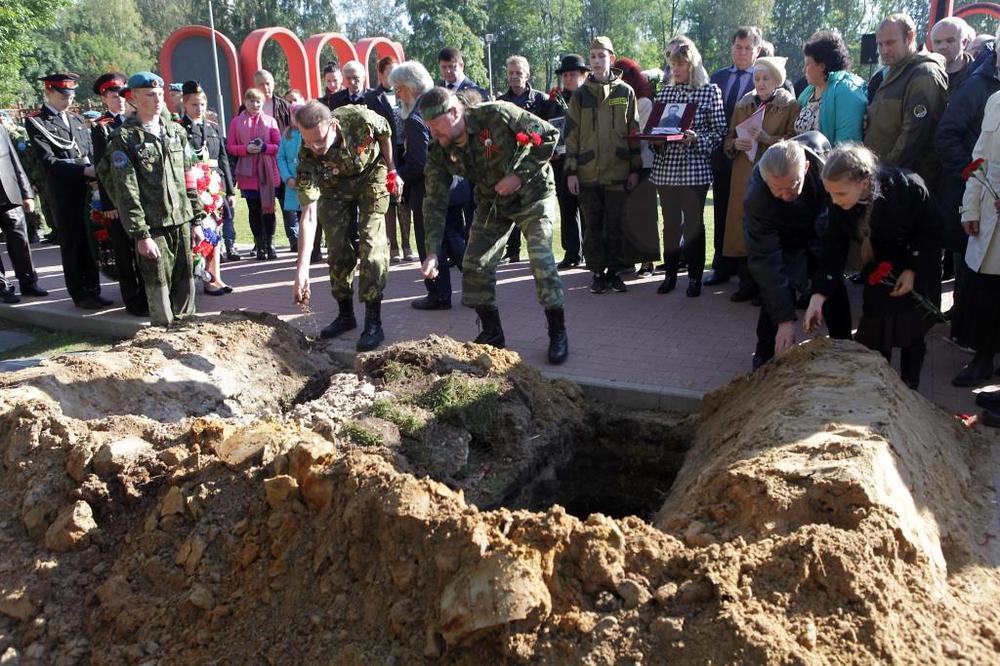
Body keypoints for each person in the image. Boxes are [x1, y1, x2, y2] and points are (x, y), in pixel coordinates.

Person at [417, 87, 568, 364]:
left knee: (541, 259)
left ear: (454, 112)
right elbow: (434, 202)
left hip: (533, 195)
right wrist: (432, 251)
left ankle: (557, 332)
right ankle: (492, 333)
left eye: (435, 124)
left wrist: (518, 176)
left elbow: (548, 134)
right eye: (428, 125)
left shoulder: (497, 114)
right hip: (493, 203)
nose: (432, 132)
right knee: (474, 265)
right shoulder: (440, 151)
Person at [805, 144, 941, 390]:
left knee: (912, 326)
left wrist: (911, 270)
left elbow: (929, 231)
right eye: (830, 193)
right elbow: (832, 250)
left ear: (864, 183)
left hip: (918, 261)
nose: (834, 201)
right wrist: (818, 295)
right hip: (879, 265)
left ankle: (911, 385)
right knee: (876, 325)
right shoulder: (840, 204)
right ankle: (879, 384)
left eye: (841, 194)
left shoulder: (907, 187)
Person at [97, 72, 203, 327]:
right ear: (133, 98)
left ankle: (187, 336)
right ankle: (163, 338)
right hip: (152, 227)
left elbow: (188, 177)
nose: (157, 99)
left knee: (186, 284)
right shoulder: (125, 138)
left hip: (180, 220)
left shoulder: (175, 132)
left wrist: (197, 219)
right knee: (158, 286)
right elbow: (126, 190)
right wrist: (140, 234)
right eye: (149, 95)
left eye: (159, 94)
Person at [291, 101, 398, 352]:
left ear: (333, 126)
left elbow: (385, 133)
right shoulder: (307, 155)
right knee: (338, 247)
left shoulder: (360, 119)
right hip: (335, 186)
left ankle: (373, 321)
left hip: (371, 175)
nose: (315, 148)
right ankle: (345, 315)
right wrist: (302, 271)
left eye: (319, 140)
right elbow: (308, 215)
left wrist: (392, 168)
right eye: (308, 141)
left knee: (372, 243)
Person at [744, 134, 852, 369]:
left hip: (819, 227)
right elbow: (766, 261)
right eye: (778, 190)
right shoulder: (757, 198)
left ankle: (845, 350)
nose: (786, 195)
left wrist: (820, 289)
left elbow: (833, 239)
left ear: (805, 167)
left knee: (833, 287)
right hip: (782, 239)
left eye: (793, 186)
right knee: (776, 292)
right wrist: (785, 319)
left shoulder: (828, 172)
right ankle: (764, 356)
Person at [935, 35, 1000, 352]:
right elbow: (972, 153)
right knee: (978, 280)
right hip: (984, 210)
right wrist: (972, 201)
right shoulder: (987, 95)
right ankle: (977, 350)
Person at [26, 72, 111, 309]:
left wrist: (94, 175)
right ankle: (80, 293)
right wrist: (84, 172)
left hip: (86, 189)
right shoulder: (37, 121)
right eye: (63, 95)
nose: (69, 100)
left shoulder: (75, 120)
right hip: (64, 190)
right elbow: (49, 161)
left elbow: (88, 153)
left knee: (89, 240)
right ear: (49, 92)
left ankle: (94, 289)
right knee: (73, 241)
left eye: (71, 95)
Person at [650, 38, 727, 297]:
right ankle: (670, 274)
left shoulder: (710, 91)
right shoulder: (665, 92)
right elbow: (656, 131)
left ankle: (694, 278)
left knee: (693, 224)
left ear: (692, 64)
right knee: (670, 225)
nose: (676, 70)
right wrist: (655, 141)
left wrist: (698, 138)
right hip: (666, 170)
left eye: (681, 64)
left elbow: (720, 132)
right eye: (672, 65)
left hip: (695, 169)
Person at [565, 36, 641, 295]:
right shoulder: (580, 95)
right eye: (593, 56)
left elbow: (634, 132)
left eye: (602, 55)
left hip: (618, 170)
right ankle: (597, 273)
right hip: (587, 173)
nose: (597, 61)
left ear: (611, 57)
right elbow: (571, 136)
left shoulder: (625, 92)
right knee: (593, 226)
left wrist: (634, 169)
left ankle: (614, 272)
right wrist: (572, 171)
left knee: (617, 224)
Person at [390, 61, 466, 310]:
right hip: (452, 186)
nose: (396, 94)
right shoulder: (431, 108)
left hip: (428, 190)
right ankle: (477, 281)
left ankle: (439, 294)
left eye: (398, 88)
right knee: (454, 238)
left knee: (431, 242)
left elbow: (420, 161)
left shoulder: (415, 117)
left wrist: (399, 176)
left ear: (410, 87)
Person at [723, 56, 800, 303]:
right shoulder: (744, 103)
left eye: (766, 78)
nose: (761, 83)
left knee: (768, 226)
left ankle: (768, 287)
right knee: (742, 225)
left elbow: (796, 142)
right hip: (743, 172)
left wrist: (767, 138)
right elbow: (728, 139)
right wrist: (735, 143)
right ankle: (746, 283)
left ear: (777, 80)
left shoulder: (789, 105)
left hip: (772, 175)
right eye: (757, 78)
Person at [705, 26, 763, 288]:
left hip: (753, 160)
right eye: (738, 47)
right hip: (722, 158)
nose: (742, 52)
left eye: (748, 48)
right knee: (722, 212)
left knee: (750, 212)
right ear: (731, 47)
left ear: (757, 50)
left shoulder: (766, 77)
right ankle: (721, 264)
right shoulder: (717, 78)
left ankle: (748, 269)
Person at [865, 14, 949, 185]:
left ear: (910, 37)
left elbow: (913, 136)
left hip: (902, 182)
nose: (884, 50)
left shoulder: (924, 74)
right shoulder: (895, 71)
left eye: (890, 43)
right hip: (885, 176)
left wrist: (883, 173)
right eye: (880, 44)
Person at [91, 72, 148, 316]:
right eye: (114, 94)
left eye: (123, 93)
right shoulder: (102, 127)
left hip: (140, 199)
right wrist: (109, 204)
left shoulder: (136, 122)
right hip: (117, 202)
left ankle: (147, 295)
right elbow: (103, 170)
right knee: (124, 253)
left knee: (142, 252)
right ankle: (132, 300)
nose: (120, 99)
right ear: (105, 98)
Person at [954, 87, 1000, 391]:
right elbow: (979, 158)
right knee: (986, 294)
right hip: (989, 216)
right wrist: (970, 207)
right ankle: (983, 359)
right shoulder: (996, 100)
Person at [498, 54, 561, 264]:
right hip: (511, 161)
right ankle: (512, 250)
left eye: (519, 73)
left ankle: (541, 253)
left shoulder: (542, 100)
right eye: (511, 73)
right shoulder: (501, 102)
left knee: (537, 209)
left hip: (535, 162)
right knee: (512, 206)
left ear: (527, 74)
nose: (515, 77)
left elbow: (551, 128)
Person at [180, 83, 237, 296]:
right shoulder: (179, 129)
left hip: (214, 187)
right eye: (194, 104)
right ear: (185, 103)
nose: (199, 108)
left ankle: (216, 277)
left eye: (202, 104)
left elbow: (223, 159)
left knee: (215, 233)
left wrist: (230, 191)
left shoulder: (213, 128)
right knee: (200, 234)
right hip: (194, 189)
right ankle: (204, 278)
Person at [366, 56, 417, 263]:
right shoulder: (372, 98)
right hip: (384, 154)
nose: (392, 77)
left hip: (405, 153)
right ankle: (392, 244)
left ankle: (406, 244)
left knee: (404, 201)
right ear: (380, 74)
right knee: (389, 200)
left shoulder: (405, 94)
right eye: (388, 73)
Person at [616, 57, 660, 274]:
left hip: (643, 164)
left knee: (644, 213)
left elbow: (637, 136)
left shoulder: (643, 103)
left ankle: (647, 261)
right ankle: (628, 258)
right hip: (621, 165)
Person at [228, 88, 281, 260]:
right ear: (245, 102)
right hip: (248, 172)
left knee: (269, 210)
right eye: (251, 101)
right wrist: (246, 149)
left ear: (263, 102)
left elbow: (278, 145)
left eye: (258, 101)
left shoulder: (270, 121)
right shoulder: (236, 122)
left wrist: (265, 148)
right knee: (253, 209)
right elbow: (230, 147)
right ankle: (259, 246)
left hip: (267, 171)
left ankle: (270, 244)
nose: (255, 104)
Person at [0, 120, 47, 302]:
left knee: (20, 240)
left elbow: (14, 160)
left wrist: (26, 193)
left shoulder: (1, 128)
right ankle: (3, 287)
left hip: (9, 194)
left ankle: (29, 283)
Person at [794, 30, 868, 145]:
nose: (804, 70)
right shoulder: (808, 92)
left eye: (808, 64)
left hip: (832, 162)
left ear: (822, 66)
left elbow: (847, 145)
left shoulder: (847, 93)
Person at [551, 54, 588, 270]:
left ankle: (589, 250)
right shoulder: (555, 101)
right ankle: (572, 252)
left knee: (587, 207)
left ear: (583, 75)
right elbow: (549, 128)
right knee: (566, 206)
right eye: (565, 75)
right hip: (561, 162)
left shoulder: (589, 98)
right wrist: (550, 150)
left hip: (586, 161)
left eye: (572, 74)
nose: (568, 79)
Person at [277, 103, 303, 254]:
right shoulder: (287, 134)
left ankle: (314, 246)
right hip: (292, 182)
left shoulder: (309, 132)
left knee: (310, 214)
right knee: (296, 215)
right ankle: (299, 244)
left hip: (307, 180)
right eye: (294, 115)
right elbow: (280, 157)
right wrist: (287, 178)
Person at [931, 16, 975, 93]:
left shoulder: (977, 76)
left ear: (964, 43)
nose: (943, 46)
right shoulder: (924, 75)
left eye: (950, 41)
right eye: (937, 42)